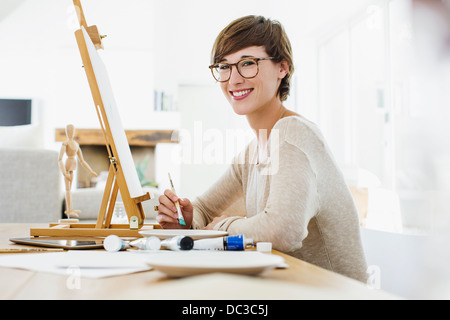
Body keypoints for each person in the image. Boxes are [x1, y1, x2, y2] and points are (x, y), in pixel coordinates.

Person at [157, 15, 367, 282]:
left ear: (282, 68)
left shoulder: (292, 132)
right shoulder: (252, 152)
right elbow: (203, 211)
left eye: (247, 63)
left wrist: (223, 226)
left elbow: (283, 230)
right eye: (224, 67)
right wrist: (185, 219)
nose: (233, 79)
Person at [58, 124, 98, 219]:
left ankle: (70, 209)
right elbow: (59, 159)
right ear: (67, 132)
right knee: (68, 189)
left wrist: (91, 171)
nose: (70, 133)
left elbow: (82, 161)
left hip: (73, 164)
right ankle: (69, 210)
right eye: (68, 131)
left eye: (72, 131)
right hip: (67, 166)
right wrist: (64, 172)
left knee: (70, 190)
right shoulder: (65, 144)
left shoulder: (76, 144)